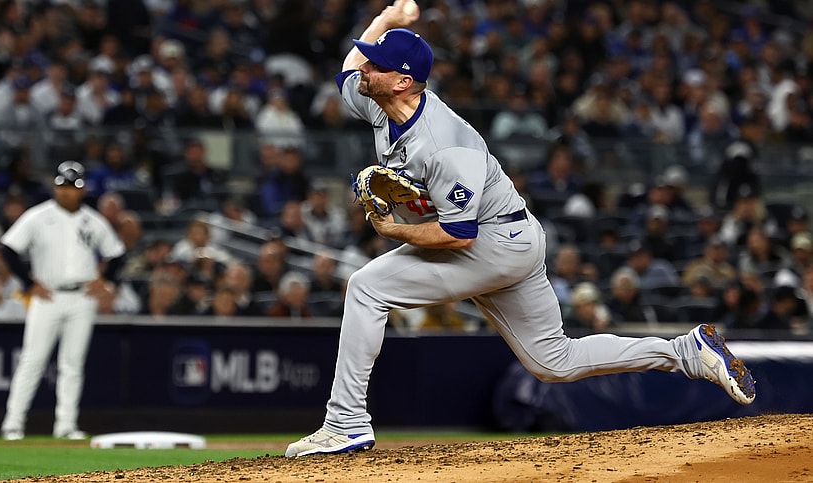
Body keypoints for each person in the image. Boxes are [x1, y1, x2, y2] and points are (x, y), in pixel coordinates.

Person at [285, 1, 755, 459]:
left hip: (491, 242)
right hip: (514, 237)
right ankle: (685, 350)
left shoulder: (446, 146)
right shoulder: (381, 104)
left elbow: (459, 234)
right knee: (554, 361)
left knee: (367, 288)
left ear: (403, 80)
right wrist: (388, 18)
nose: (366, 68)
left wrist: (395, 231)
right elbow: (348, 68)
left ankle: (344, 423)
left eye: (378, 65)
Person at [0, 161, 126, 441]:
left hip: (82, 297)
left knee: (72, 363)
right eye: (63, 186)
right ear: (56, 187)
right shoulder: (38, 216)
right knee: (32, 360)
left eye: (73, 187)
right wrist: (29, 283)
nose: (67, 192)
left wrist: (107, 282)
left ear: (82, 190)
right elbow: (8, 248)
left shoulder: (93, 220)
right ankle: (13, 424)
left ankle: (66, 425)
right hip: (48, 296)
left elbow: (117, 254)